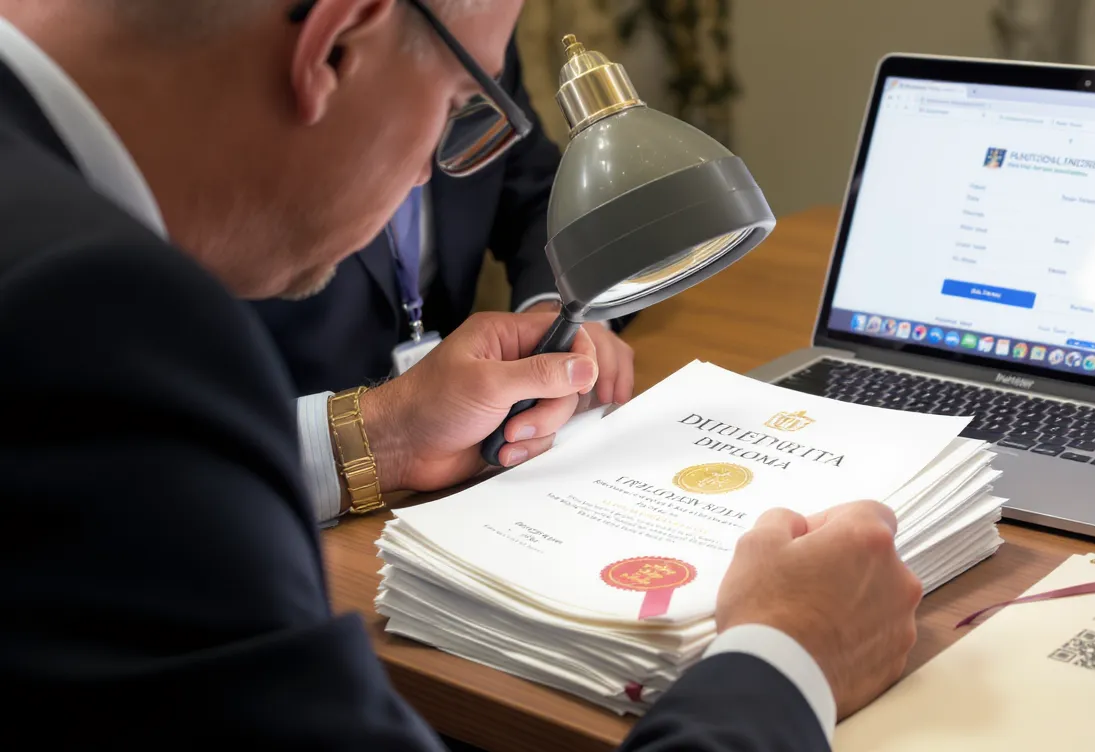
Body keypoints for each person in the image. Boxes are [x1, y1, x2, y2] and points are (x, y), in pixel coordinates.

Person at [0, 1, 924, 750]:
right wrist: (785, 656)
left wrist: (382, 434)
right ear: (335, 47)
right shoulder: (92, 315)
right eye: (456, 111)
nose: (435, 163)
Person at [248, 33, 637, 528]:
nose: (424, 172)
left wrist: (554, 314)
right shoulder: (243, 83)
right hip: (278, 501)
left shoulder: (477, 42)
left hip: (458, 469)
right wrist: (383, 433)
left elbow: (540, 194)